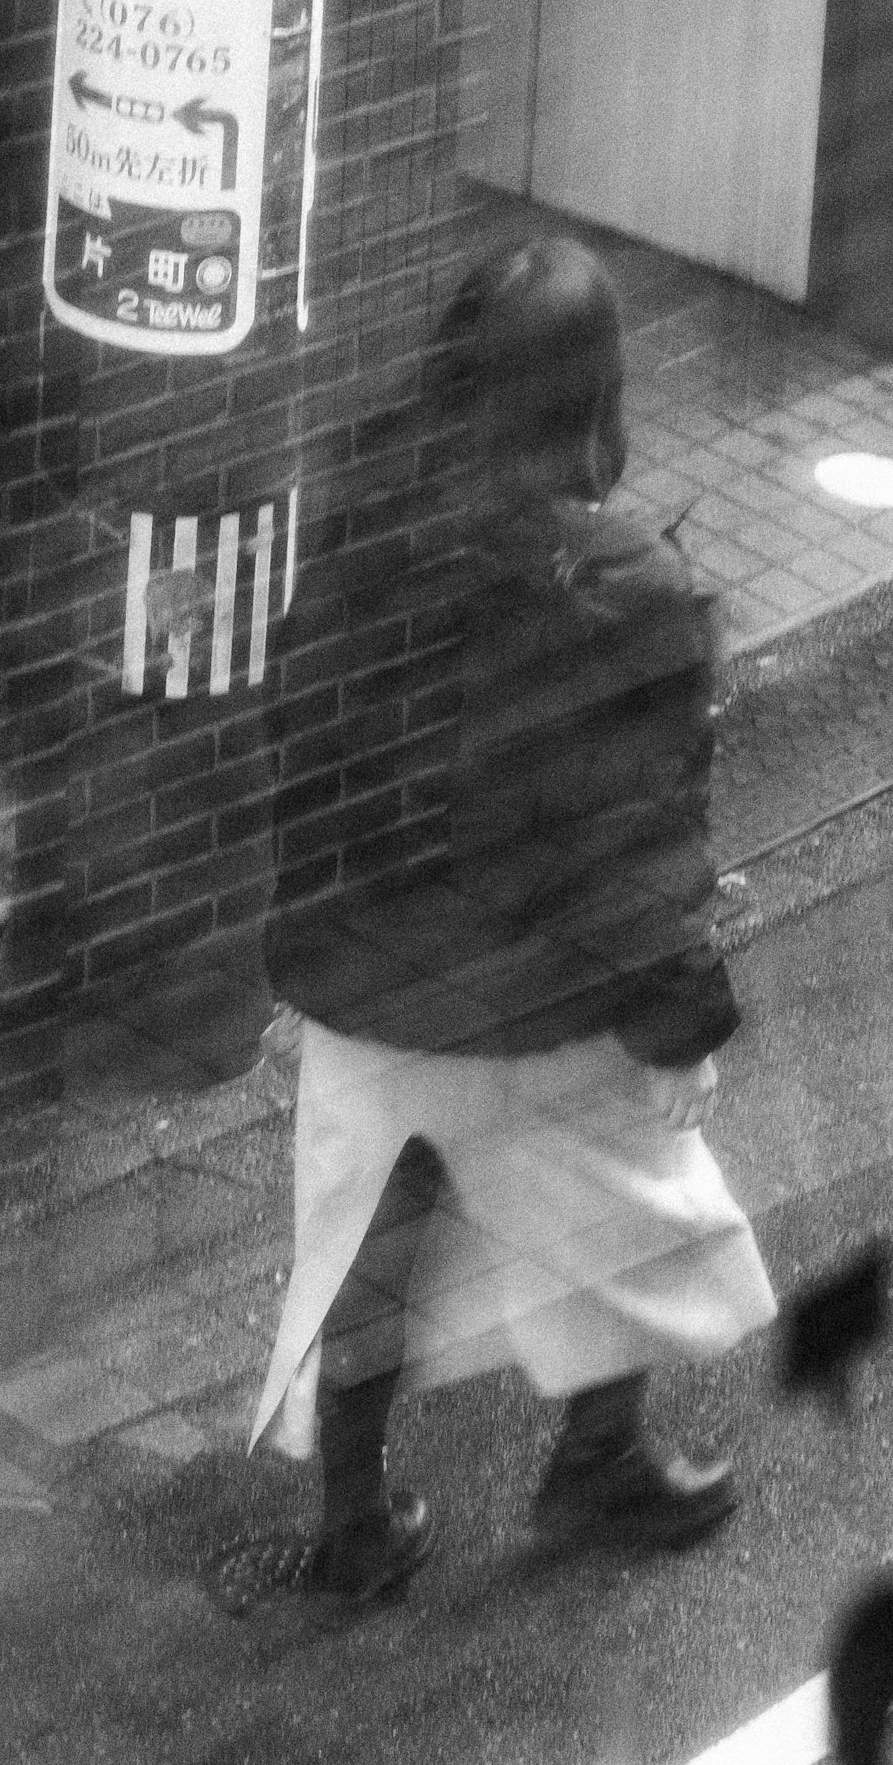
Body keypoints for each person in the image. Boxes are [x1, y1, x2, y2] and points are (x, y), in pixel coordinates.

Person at [253, 235, 778, 1597]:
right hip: (541, 1009)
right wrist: (681, 1029)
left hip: (371, 994)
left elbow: (296, 749)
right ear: (598, 395)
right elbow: (640, 851)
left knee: (365, 1259)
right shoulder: (626, 599)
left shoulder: (356, 541)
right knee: (634, 1226)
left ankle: (356, 1530)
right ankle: (598, 1466)